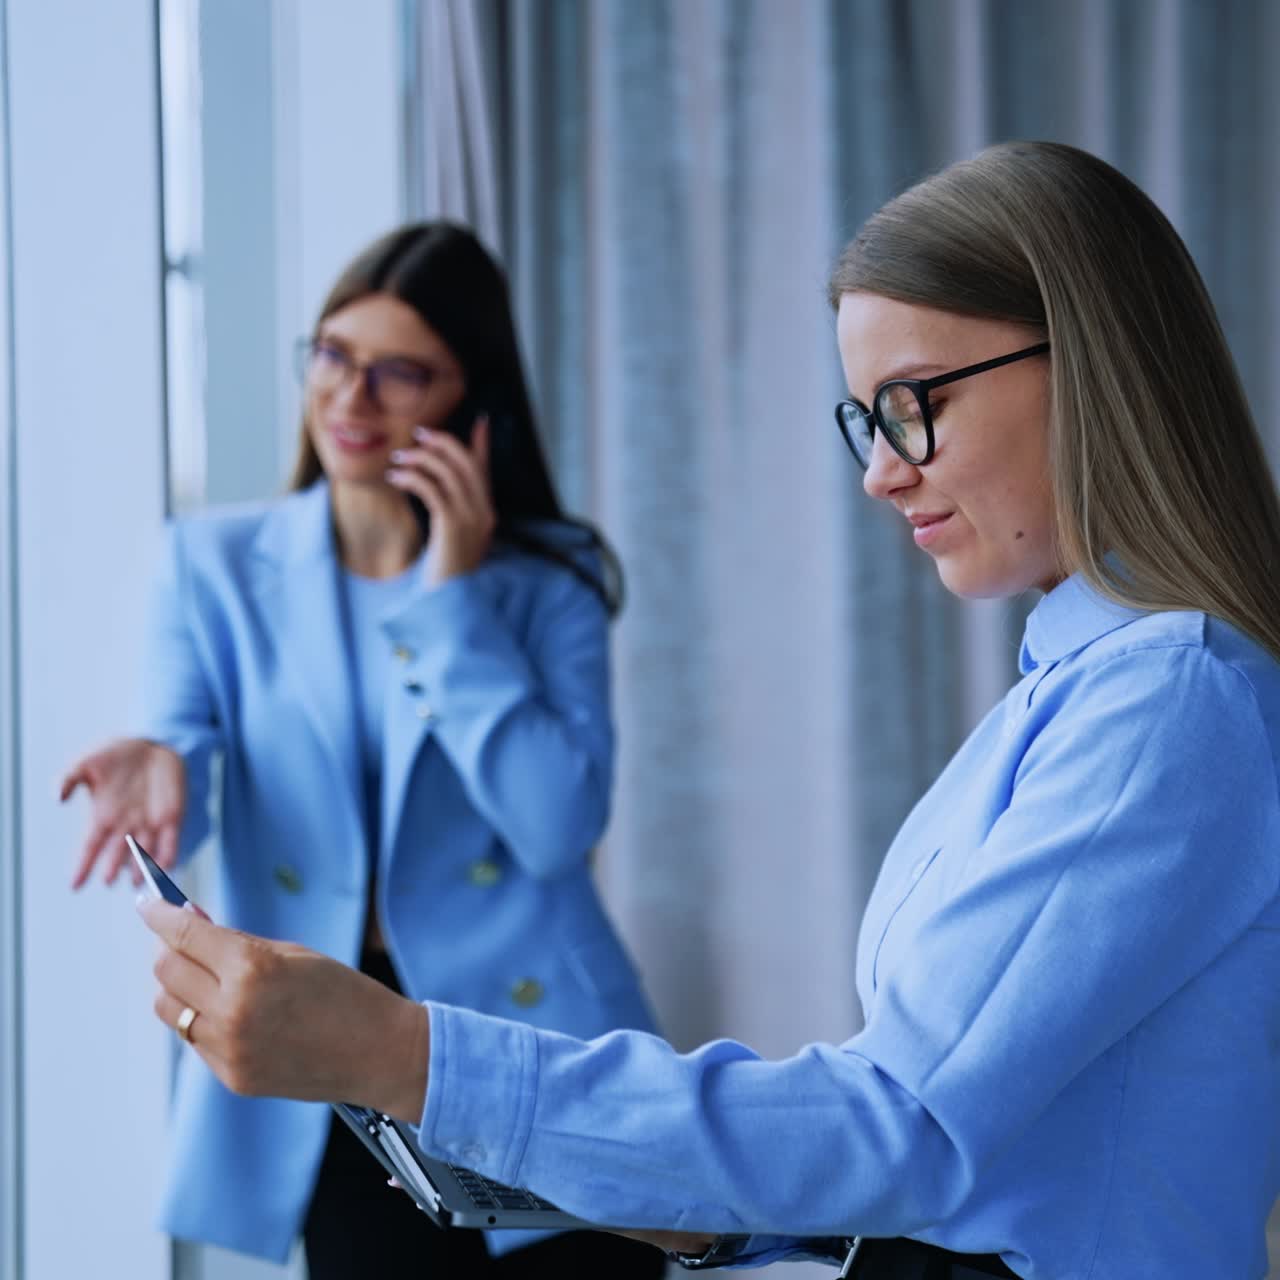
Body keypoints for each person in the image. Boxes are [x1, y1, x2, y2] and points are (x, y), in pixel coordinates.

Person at [138, 142, 1280, 1278]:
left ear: (1083, 364)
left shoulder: (1165, 698)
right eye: (863, 419)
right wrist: (685, 1201)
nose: (879, 469)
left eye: (909, 403)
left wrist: (403, 1049)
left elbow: (900, 1125)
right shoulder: (1080, 686)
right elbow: (967, 1141)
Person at [61, 222, 664, 1278]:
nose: (350, 397)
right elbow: (186, 768)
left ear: (468, 404)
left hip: (540, 1046)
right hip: (336, 1050)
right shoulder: (211, 565)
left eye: (399, 373)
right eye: (334, 356)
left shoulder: (547, 578)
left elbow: (557, 823)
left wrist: (453, 595)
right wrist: (161, 761)